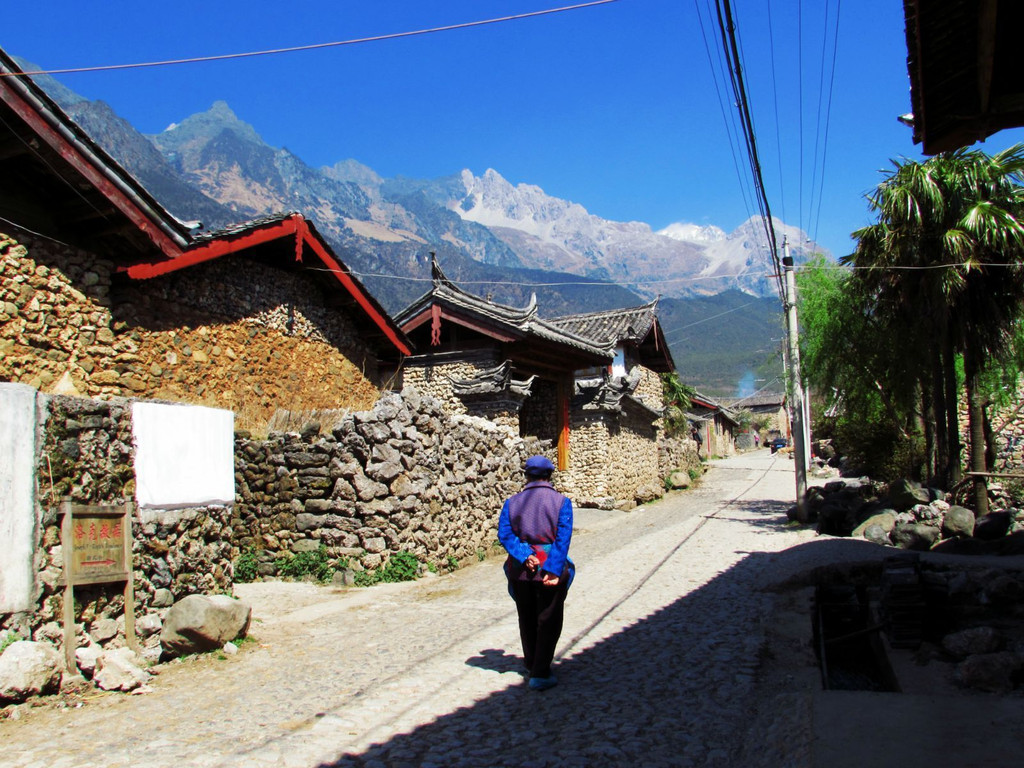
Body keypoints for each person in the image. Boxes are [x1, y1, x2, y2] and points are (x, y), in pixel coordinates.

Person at [498, 454, 575, 691]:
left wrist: (524, 555)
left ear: (527, 476)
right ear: (549, 475)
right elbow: (562, 539)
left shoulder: (512, 503)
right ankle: (540, 673)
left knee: (527, 617)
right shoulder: (562, 503)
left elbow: (505, 534)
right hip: (550, 571)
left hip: (521, 571)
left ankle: (531, 663)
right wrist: (552, 569)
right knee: (548, 619)